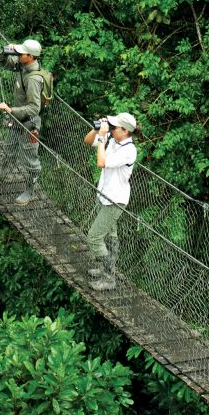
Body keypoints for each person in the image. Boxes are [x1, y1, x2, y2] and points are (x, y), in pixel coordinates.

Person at [82, 112, 138, 291]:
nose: (112, 129)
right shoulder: (113, 139)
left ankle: (109, 276)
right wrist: (98, 129)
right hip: (104, 194)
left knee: (94, 237)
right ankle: (105, 269)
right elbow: (87, 140)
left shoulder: (129, 151)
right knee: (110, 236)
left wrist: (102, 138)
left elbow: (101, 162)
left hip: (115, 201)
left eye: (115, 127)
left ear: (125, 131)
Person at [0, 39, 49, 205]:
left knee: (31, 160)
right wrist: (6, 51)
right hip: (18, 119)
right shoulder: (22, 66)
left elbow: (33, 108)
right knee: (10, 146)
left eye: (21, 53)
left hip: (29, 123)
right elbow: (3, 63)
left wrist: (10, 110)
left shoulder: (33, 79)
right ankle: (5, 172)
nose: (18, 55)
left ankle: (30, 190)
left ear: (30, 57)